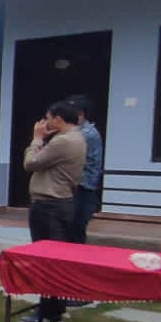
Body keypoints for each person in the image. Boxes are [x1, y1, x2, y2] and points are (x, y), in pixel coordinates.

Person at [20, 100, 86, 322]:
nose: (45, 122)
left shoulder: (64, 141)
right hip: (61, 203)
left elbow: (31, 163)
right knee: (55, 258)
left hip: (49, 205)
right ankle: (56, 307)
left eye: (48, 117)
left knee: (46, 259)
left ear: (58, 119)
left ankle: (49, 311)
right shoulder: (75, 138)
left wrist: (37, 139)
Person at [66, 94, 103, 245]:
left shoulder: (86, 134)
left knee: (76, 228)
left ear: (80, 114)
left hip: (82, 187)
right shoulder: (78, 132)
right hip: (79, 185)